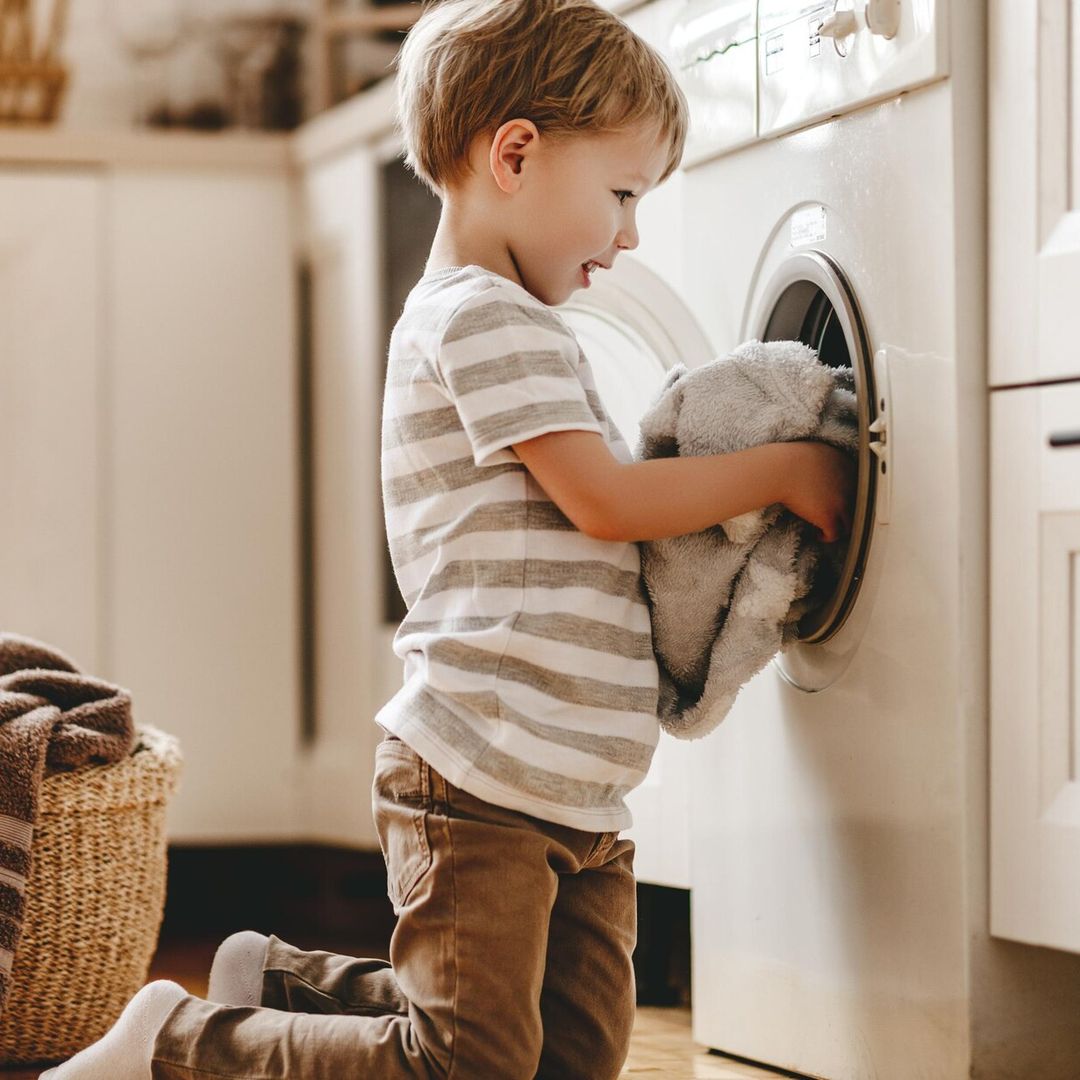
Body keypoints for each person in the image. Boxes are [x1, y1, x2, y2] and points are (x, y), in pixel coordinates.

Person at [43, 1, 855, 1077]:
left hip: (577, 787)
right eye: (621, 194)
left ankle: (278, 981)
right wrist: (787, 470)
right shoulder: (479, 319)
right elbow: (604, 503)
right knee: (466, 1065)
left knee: (565, 1061)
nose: (631, 234)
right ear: (515, 153)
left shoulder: (517, 322)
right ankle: (182, 1042)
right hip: (479, 772)